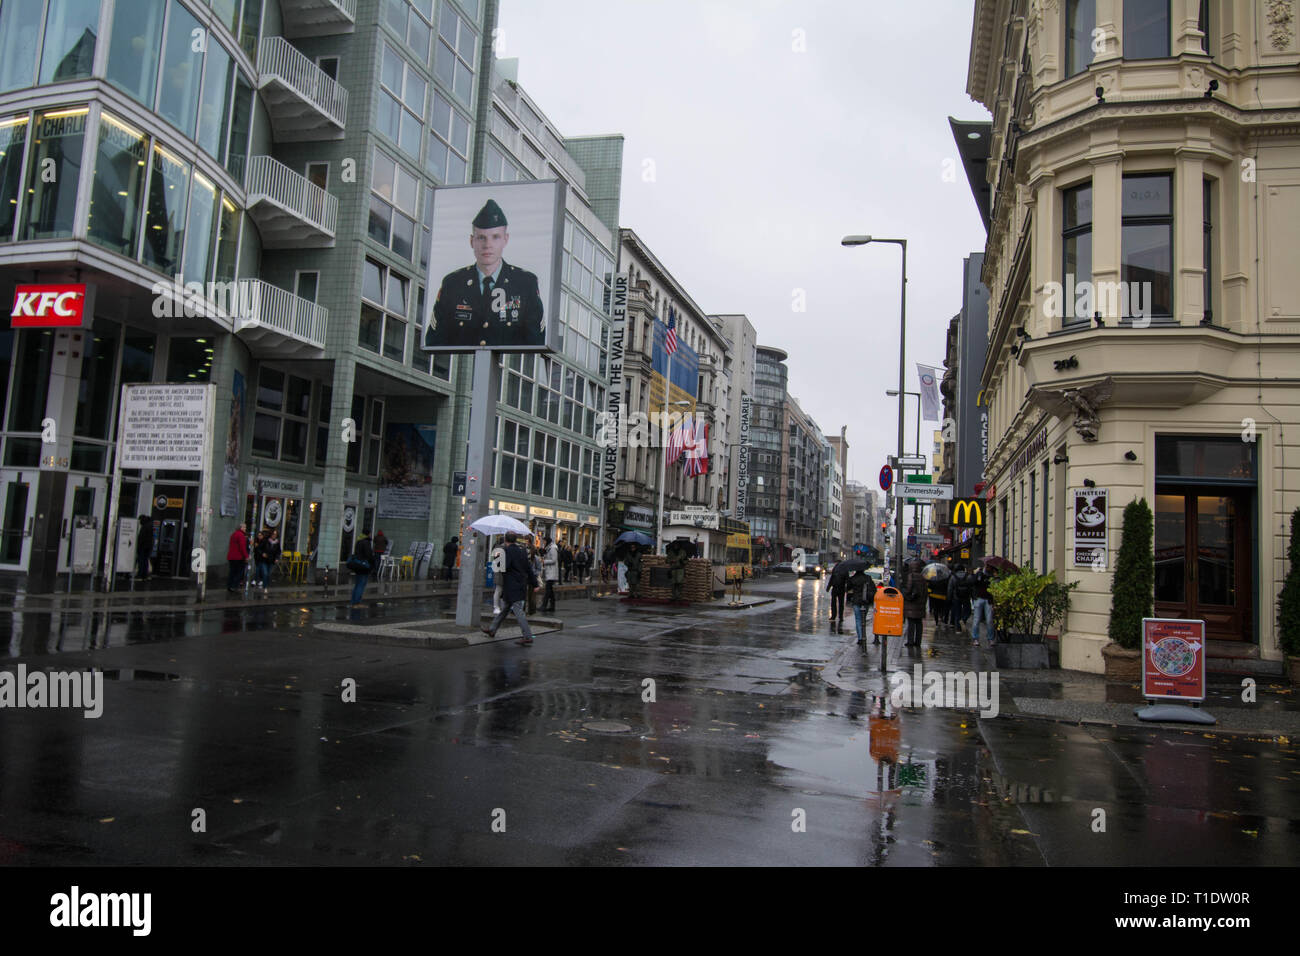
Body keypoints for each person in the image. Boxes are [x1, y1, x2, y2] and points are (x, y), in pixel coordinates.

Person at [428, 199, 545, 349]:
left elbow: (535, 342)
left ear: (505, 239)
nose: (487, 245)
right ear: (472, 241)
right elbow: (435, 340)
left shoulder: (525, 283)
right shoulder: (453, 283)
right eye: (481, 237)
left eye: (495, 237)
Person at [481, 532, 541, 646]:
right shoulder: (522, 551)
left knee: (518, 611)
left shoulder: (507, 552)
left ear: (505, 541)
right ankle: (492, 629)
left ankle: (527, 636)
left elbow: (503, 568)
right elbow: (528, 568)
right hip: (520, 585)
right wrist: (535, 583)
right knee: (505, 609)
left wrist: (497, 558)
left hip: (511, 585)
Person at [903, 559, 927, 647]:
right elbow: (925, 591)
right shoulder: (923, 577)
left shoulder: (911, 576)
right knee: (919, 623)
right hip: (920, 603)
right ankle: (918, 642)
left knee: (911, 623)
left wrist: (905, 593)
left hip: (912, 603)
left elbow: (909, 589)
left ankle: (910, 641)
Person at [970, 566, 995, 646]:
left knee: (989, 620)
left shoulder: (991, 576)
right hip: (979, 598)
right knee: (977, 620)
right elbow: (973, 582)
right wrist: (976, 575)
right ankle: (975, 638)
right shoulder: (980, 574)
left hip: (988, 599)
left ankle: (990, 639)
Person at [350, 530, 376, 607]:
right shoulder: (366, 542)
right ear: (368, 534)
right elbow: (369, 555)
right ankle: (357, 602)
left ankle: (353, 602)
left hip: (358, 565)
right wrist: (372, 564)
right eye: (370, 533)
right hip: (364, 566)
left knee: (357, 584)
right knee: (361, 584)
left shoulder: (358, 541)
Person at [226, 523, 249, 592]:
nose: (245, 529)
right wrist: (246, 556)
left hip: (231, 557)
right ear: (241, 528)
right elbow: (242, 547)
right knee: (239, 572)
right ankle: (234, 586)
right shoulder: (241, 535)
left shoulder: (233, 534)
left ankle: (230, 585)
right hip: (238, 557)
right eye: (244, 527)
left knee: (232, 572)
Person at [541, 537, 559, 612]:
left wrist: (544, 561)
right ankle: (552, 606)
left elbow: (554, 560)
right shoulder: (549, 548)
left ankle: (544, 605)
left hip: (552, 571)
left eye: (544, 541)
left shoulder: (552, 548)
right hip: (549, 571)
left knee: (548, 589)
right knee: (550, 590)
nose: (543, 543)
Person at [490, 540, 507, 615]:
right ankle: (496, 607)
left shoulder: (498, 549)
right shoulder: (500, 549)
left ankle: (499, 607)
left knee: (500, 590)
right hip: (500, 572)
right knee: (499, 590)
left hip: (499, 571)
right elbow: (499, 561)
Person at [136, 515, 153, 580]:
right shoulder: (150, 526)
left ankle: (140, 574)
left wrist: (139, 546)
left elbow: (141, 538)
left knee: (141, 561)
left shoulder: (144, 527)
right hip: (148, 547)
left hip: (143, 547)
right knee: (145, 561)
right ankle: (144, 575)